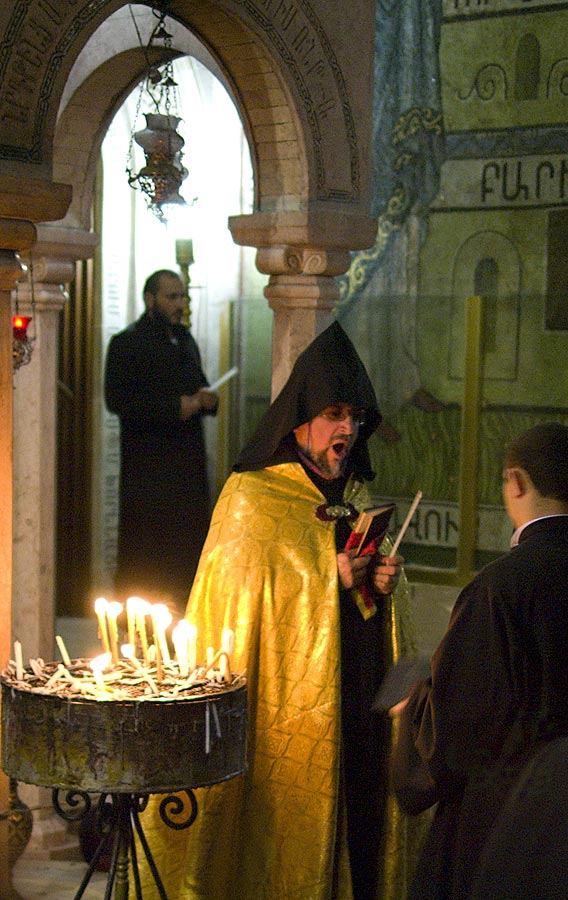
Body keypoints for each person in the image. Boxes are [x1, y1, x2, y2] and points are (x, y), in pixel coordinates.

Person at [140, 320, 420, 900]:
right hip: (282, 718)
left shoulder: (356, 495)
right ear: (301, 418)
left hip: (358, 700)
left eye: (356, 417)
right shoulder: (254, 497)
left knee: (363, 819)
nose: (347, 428)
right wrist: (326, 578)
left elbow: (370, 609)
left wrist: (385, 587)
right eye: (335, 414)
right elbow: (241, 603)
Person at [390, 422, 568, 900]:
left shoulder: (499, 589)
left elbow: (455, 730)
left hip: (513, 831)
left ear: (516, 482)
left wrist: (414, 704)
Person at [104, 269, 218, 612]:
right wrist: (174, 407)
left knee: (185, 550)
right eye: (172, 297)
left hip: (186, 471)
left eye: (182, 297)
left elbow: (198, 384)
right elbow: (118, 401)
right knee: (146, 554)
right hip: (148, 471)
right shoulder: (127, 343)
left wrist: (206, 400)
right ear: (150, 299)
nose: (180, 304)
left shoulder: (185, 341)